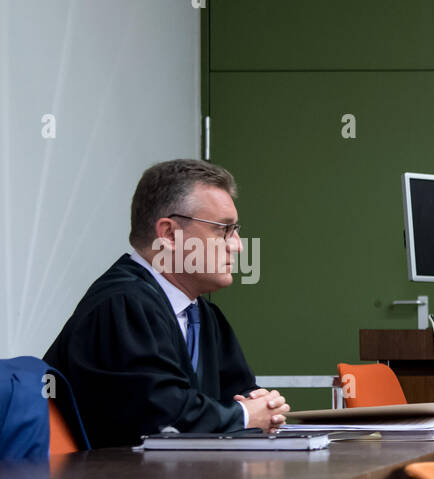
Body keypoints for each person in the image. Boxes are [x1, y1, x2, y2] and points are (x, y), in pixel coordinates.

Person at [44, 159, 288, 448]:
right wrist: (246, 415)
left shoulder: (205, 315)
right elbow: (162, 418)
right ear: (170, 234)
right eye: (223, 230)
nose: (237, 245)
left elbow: (239, 392)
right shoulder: (122, 305)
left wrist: (263, 404)